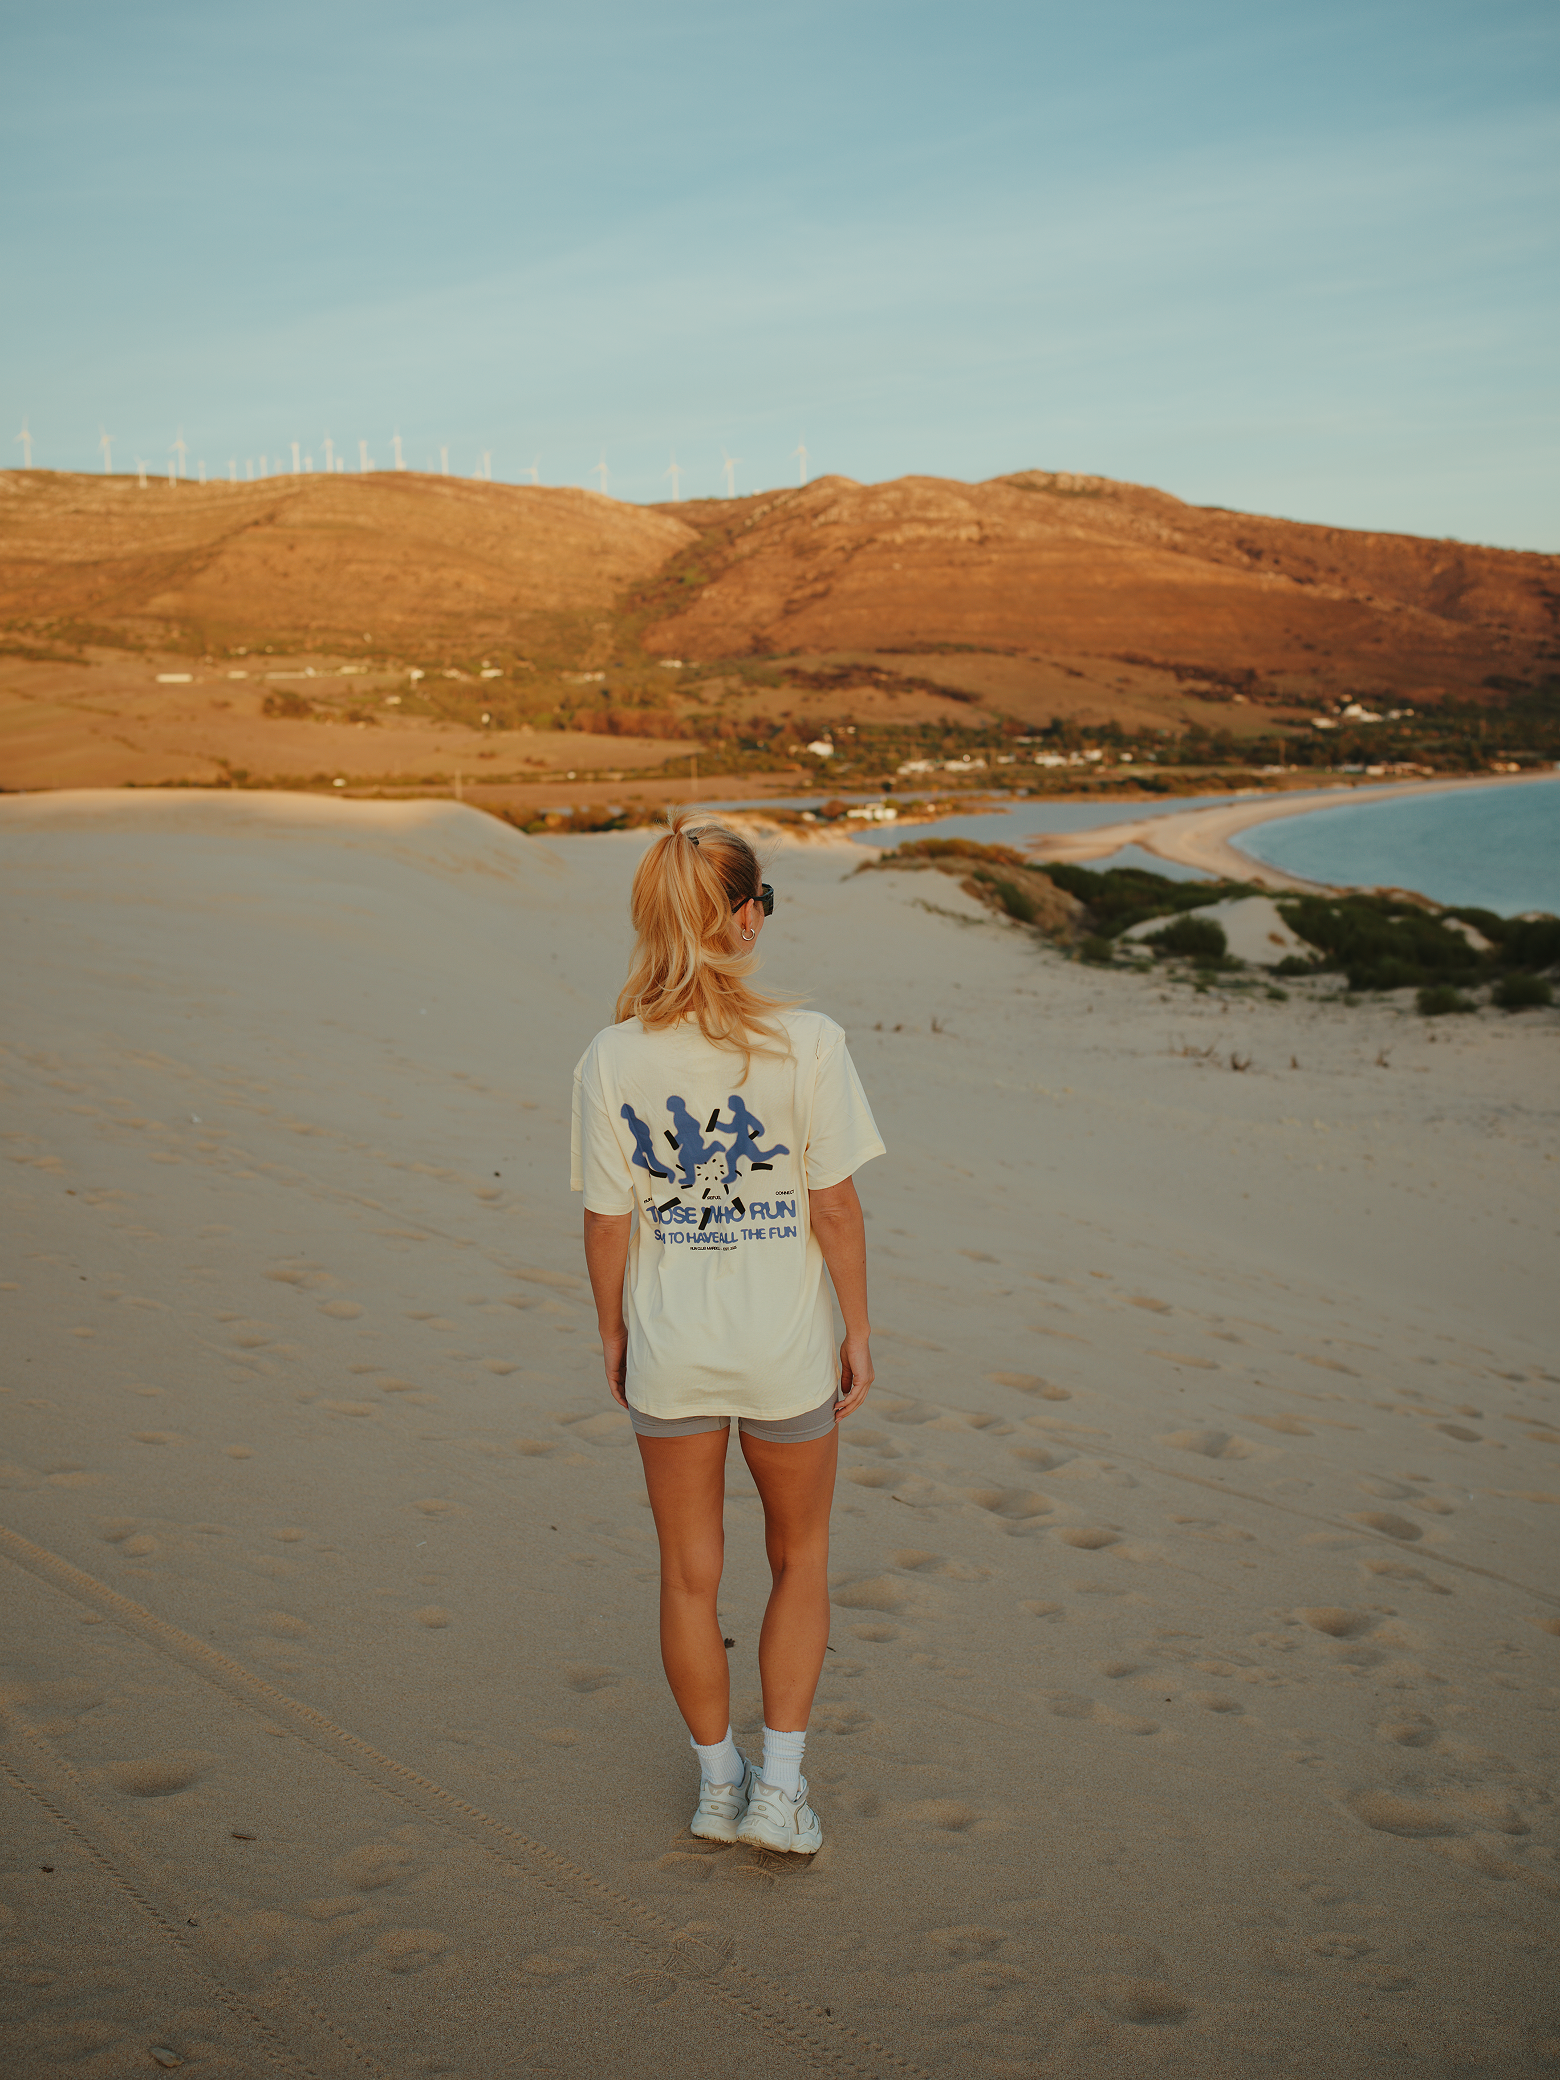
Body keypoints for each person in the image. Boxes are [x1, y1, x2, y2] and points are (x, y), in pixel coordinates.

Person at [571, 812, 883, 1854]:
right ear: (744, 918)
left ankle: (716, 1787)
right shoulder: (812, 1042)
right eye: (763, 901)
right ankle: (779, 1791)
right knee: (800, 1558)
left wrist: (612, 1333)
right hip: (785, 1347)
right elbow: (834, 1206)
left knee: (688, 1575)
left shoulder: (610, 1058)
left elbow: (606, 1222)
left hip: (673, 1351)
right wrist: (860, 1327)